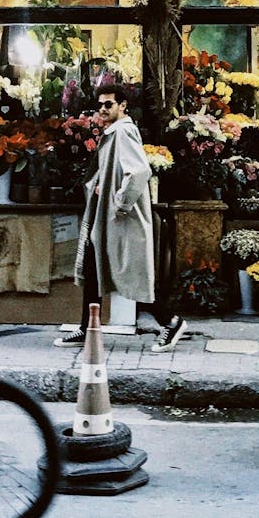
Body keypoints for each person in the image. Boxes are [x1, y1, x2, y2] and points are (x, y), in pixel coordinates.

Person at [54, 84, 186, 353]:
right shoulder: (114, 132)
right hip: (109, 218)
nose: (103, 109)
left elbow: (138, 172)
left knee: (131, 272)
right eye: (100, 105)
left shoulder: (123, 132)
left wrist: (119, 203)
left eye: (109, 104)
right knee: (94, 269)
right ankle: (86, 327)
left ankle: (170, 322)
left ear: (123, 106)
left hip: (121, 220)